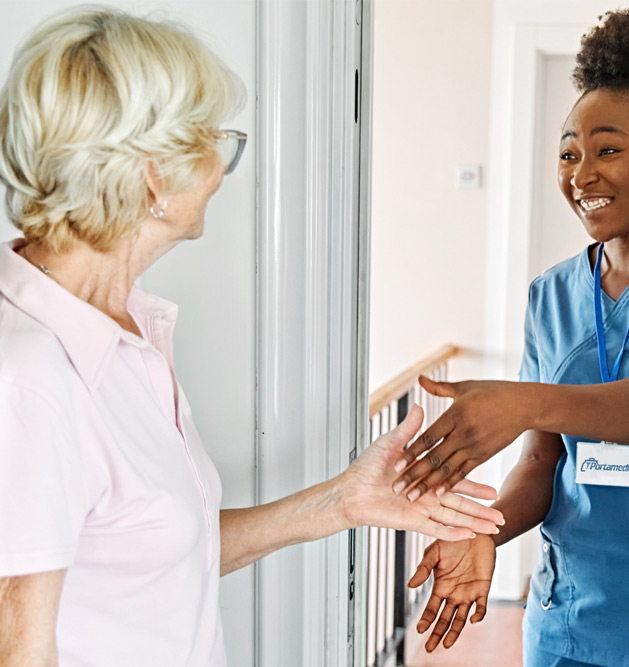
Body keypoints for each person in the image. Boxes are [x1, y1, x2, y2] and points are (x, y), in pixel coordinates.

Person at [0, 9, 502, 665]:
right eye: (213, 139)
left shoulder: (124, 333)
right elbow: (18, 643)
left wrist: (343, 501)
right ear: (154, 174)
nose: (222, 165)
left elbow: (155, 552)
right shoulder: (32, 373)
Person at [395, 8, 629, 666]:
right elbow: (542, 463)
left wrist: (526, 400)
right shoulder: (550, 296)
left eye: (607, 149)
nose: (582, 174)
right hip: (566, 624)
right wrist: (486, 531)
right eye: (568, 153)